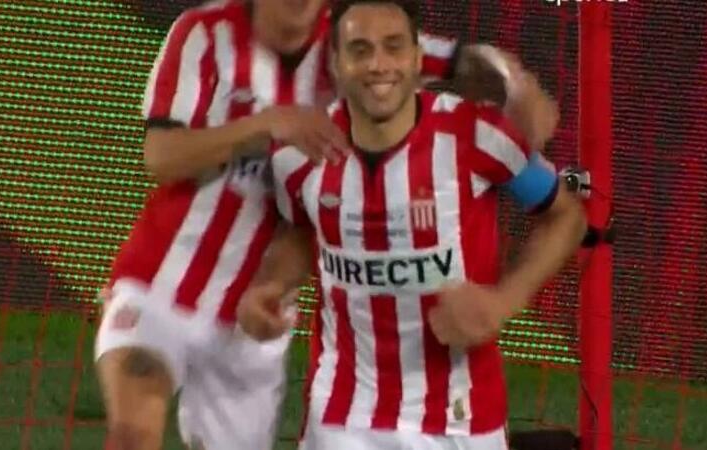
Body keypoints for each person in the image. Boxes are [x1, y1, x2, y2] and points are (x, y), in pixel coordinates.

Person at [95, 0, 561, 449]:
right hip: (161, 284)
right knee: (134, 431)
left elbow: (464, 61)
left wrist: (519, 92)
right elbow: (162, 157)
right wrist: (266, 125)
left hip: (255, 317)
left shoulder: (353, 43)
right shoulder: (204, 33)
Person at [239, 1, 587, 449]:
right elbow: (303, 233)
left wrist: (504, 301)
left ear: (418, 59)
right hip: (344, 416)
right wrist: (270, 286)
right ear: (336, 63)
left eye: (393, 47)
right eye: (360, 50)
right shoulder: (298, 154)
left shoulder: (478, 135)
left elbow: (566, 216)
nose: (378, 64)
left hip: (461, 419)